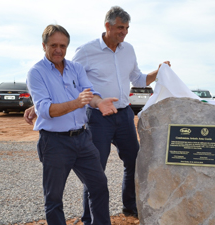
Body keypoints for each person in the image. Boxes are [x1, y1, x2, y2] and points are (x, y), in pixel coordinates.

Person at [24, 6, 170, 223]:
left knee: (117, 172)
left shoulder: (121, 52)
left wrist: (158, 73)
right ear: (107, 26)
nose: (124, 32)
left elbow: (131, 81)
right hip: (80, 127)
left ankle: (125, 207)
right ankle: (87, 218)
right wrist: (41, 105)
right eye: (120, 27)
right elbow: (58, 94)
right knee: (69, 187)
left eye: (127, 28)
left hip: (112, 119)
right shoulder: (78, 55)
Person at [27, 24, 118, 225]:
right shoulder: (36, 73)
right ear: (44, 46)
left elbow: (89, 95)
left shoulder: (76, 68)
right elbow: (46, 110)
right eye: (53, 45)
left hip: (83, 139)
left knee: (99, 186)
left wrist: (99, 102)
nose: (58, 50)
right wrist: (77, 102)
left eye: (63, 45)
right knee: (54, 198)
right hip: (54, 142)